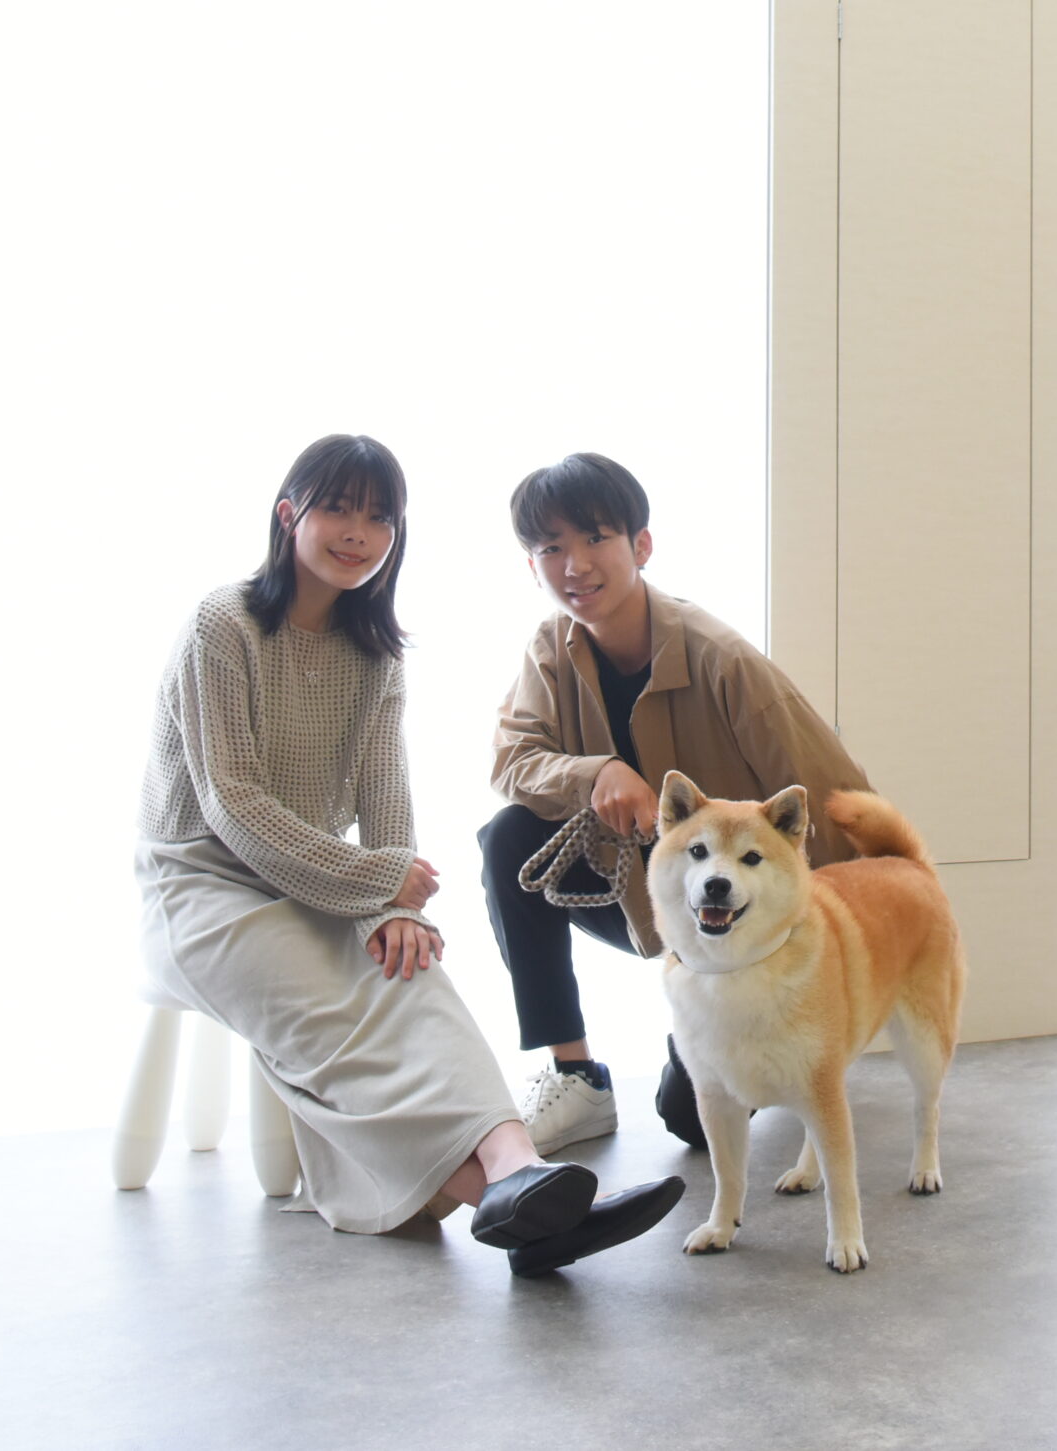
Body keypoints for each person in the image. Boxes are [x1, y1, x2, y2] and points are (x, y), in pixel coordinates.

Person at [136, 433, 683, 1277]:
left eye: (380, 517)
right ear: (288, 516)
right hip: (199, 885)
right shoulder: (225, 624)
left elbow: (387, 798)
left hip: (317, 881)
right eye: (338, 510)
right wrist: (377, 880)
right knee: (337, 1024)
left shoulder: (374, 653)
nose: (359, 533)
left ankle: (517, 1171)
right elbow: (231, 805)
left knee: (416, 979)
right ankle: (517, 1208)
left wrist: (395, 906)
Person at [478, 452, 870, 1151]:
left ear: (641, 545)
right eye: (551, 548)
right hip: (639, 890)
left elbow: (831, 791)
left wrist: (847, 954)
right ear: (531, 565)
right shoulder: (550, 648)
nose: (575, 565)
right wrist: (598, 772)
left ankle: (750, 1025)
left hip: (738, 909)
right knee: (507, 838)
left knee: (690, 1118)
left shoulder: (722, 658)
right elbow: (512, 759)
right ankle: (576, 1077)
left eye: (595, 537)